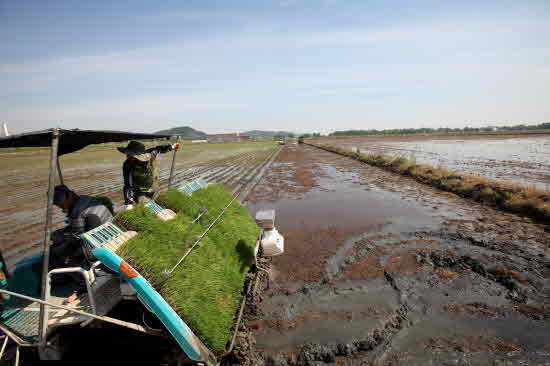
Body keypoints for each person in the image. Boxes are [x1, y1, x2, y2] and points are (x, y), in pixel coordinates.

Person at [50, 185, 113, 272]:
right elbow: (78, 229)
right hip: (109, 236)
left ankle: (77, 276)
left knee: (56, 252)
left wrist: (60, 237)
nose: (61, 207)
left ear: (69, 197)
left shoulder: (78, 212)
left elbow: (77, 238)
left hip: (98, 247)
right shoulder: (85, 199)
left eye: (61, 204)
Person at [118, 140, 180, 205]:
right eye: (128, 154)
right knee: (143, 206)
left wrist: (173, 147)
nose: (128, 156)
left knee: (156, 202)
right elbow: (127, 184)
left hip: (153, 187)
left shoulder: (150, 154)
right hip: (140, 192)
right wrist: (128, 199)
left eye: (130, 155)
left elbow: (159, 149)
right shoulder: (127, 164)